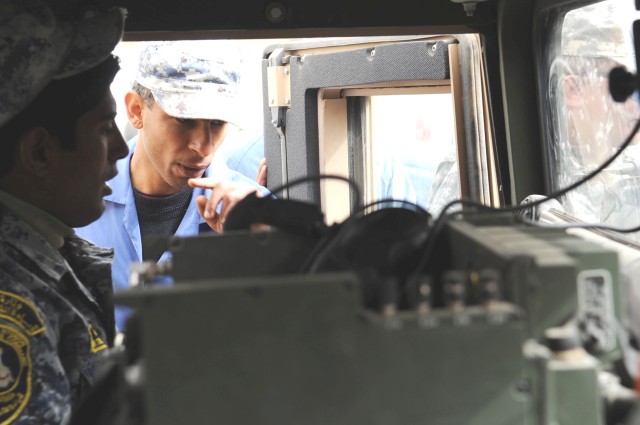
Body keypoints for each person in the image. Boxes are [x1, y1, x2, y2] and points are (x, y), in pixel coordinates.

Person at [76, 42, 267, 332]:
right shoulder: (73, 197)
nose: (203, 147)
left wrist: (255, 249)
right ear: (136, 110)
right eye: (185, 121)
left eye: (217, 122)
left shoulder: (259, 213)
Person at [0, 1, 129, 422]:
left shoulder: (48, 252)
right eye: (104, 129)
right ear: (39, 152)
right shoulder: (9, 302)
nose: (121, 150)